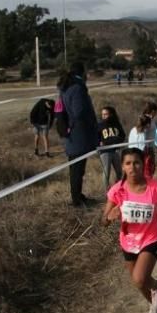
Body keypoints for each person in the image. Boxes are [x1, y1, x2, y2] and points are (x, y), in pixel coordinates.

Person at [103, 147, 157, 313]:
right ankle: (154, 303)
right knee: (138, 282)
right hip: (128, 242)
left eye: (136, 163)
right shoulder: (117, 191)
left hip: (150, 238)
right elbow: (103, 220)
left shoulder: (153, 186)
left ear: (143, 164)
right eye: (128, 163)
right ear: (122, 167)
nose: (132, 167)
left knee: (140, 278)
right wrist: (110, 217)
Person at [60, 62, 100, 206]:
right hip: (79, 135)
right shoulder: (77, 88)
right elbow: (79, 112)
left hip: (72, 135)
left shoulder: (66, 87)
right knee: (77, 169)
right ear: (82, 73)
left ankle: (77, 195)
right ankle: (76, 200)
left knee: (76, 168)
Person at [98, 105, 127, 190]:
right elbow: (96, 138)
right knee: (106, 172)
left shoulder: (117, 124)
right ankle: (107, 192)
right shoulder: (100, 125)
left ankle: (117, 189)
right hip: (105, 152)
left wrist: (115, 141)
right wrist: (100, 143)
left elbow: (122, 136)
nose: (104, 116)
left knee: (119, 172)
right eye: (102, 114)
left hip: (116, 151)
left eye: (106, 114)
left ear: (111, 114)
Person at [128, 114, 156, 179]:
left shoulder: (133, 130)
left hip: (133, 154)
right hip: (139, 156)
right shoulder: (142, 133)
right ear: (147, 124)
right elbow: (142, 147)